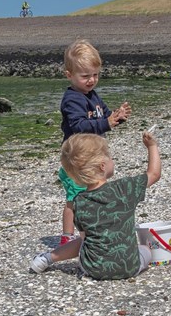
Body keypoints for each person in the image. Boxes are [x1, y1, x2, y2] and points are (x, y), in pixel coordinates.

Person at [29, 131, 161, 279]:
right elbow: (154, 174)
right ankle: (48, 257)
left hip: (93, 270)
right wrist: (152, 146)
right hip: (130, 268)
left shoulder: (79, 201)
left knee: (86, 240)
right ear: (102, 166)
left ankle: (48, 258)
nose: (113, 160)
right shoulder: (124, 188)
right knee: (145, 249)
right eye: (110, 156)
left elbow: (85, 239)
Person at [56, 39, 131, 246]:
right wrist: (106, 123)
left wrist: (117, 117)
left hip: (92, 156)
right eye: (85, 76)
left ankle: (90, 231)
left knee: (93, 192)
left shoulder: (92, 95)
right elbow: (79, 126)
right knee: (75, 198)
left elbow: (104, 116)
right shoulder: (72, 99)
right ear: (69, 75)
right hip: (77, 159)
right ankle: (68, 236)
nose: (91, 80)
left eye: (95, 75)